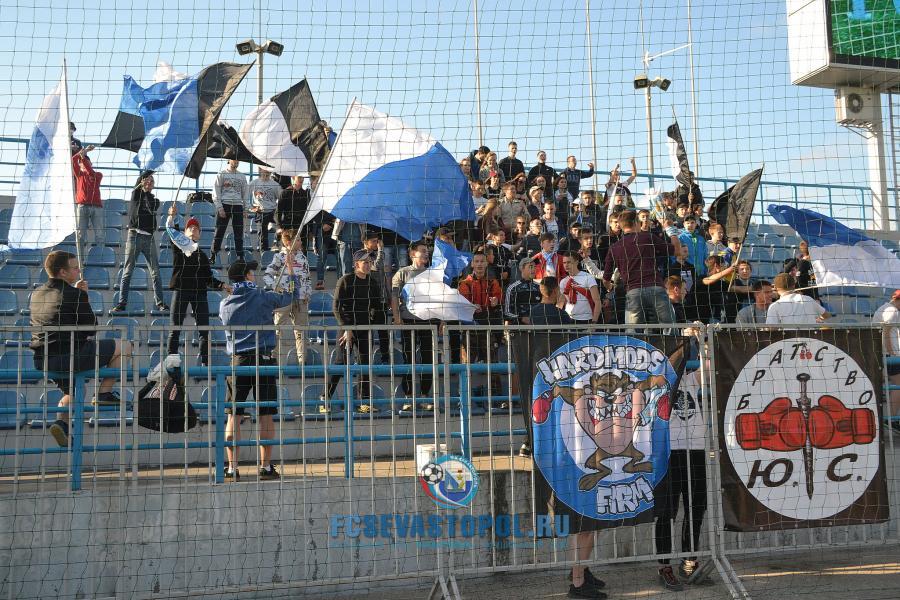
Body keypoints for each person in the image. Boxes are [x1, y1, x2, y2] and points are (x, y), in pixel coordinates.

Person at [31, 251, 131, 447]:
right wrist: (83, 296)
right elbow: (91, 328)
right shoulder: (74, 294)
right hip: (70, 355)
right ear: (62, 272)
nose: (79, 271)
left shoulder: (37, 294)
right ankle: (104, 393)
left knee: (76, 390)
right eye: (75, 268)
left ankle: (61, 423)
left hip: (43, 359)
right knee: (125, 346)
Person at [220, 259, 301, 481]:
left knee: (233, 415)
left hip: (238, 361)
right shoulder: (263, 296)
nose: (254, 276)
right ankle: (265, 467)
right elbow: (292, 296)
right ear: (247, 276)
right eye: (251, 273)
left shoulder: (225, 304)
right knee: (265, 414)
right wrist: (291, 274)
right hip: (263, 359)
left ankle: (232, 469)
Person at [654, 365, 707, 591]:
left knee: (696, 508)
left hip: (695, 449)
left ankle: (689, 562)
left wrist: (701, 345)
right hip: (669, 451)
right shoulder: (659, 378)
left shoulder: (690, 379)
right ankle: (664, 566)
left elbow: (709, 365)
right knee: (667, 511)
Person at [165, 206, 229, 365]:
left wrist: (223, 285)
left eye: (196, 228)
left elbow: (209, 278)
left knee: (204, 330)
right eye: (190, 227)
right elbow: (172, 231)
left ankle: (205, 363)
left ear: (200, 234)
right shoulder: (179, 246)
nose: (193, 229)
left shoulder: (202, 256)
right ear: (185, 233)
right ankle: (171, 363)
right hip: (181, 290)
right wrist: (171, 217)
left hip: (199, 293)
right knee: (175, 328)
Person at [326, 249, 388, 413]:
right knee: (341, 363)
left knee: (365, 364)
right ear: (356, 264)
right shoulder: (345, 280)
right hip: (346, 328)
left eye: (370, 262)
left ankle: (364, 402)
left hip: (364, 328)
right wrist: (347, 328)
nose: (368, 265)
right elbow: (336, 307)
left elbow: (376, 307)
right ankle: (325, 398)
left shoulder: (372, 282)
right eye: (365, 262)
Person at [602, 210, 681, 326]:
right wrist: (671, 230)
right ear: (636, 223)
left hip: (633, 292)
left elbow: (605, 280)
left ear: (622, 226)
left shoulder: (614, 247)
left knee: (633, 331)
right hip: (655, 288)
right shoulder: (648, 238)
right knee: (669, 327)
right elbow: (677, 251)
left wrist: (610, 288)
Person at [111, 170, 168, 314]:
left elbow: (150, 206)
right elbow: (139, 183)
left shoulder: (154, 200)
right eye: (147, 180)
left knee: (155, 271)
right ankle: (121, 303)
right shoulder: (135, 194)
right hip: (134, 236)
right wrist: (151, 170)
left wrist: (146, 190)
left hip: (148, 238)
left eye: (152, 181)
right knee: (128, 271)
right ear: (142, 181)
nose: (149, 182)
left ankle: (160, 303)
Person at [391, 241, 437, 399]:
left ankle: (425, 394)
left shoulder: (432, 274)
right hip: (408, 321)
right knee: (408, 358)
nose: (426, 253)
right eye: (422, 251)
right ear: (412, 254)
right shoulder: (402, 273)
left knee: (427, 358)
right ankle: (408, 395)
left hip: (427, 321)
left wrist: (442, 320)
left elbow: (439, 298)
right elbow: (394, 296)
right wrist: (397, 317)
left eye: (427, 251)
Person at [264, 229, 313, 366]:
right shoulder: (279, 257)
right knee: (277, 329)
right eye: (298, 240)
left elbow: (308, 278)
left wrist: (308, 293)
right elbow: (267, 275)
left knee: (301, 331)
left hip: (301, 299)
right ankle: (272, 359)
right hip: (284, 299)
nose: (301, 242)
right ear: (288, 242)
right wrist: (277, 288)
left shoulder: (303, 257)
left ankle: (302, 362)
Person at [458, 252, 503, 362]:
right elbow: (462, 302)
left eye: (482, 261)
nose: (479, 264)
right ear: (472, 264)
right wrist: (471, 306)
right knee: (467, 363)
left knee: (492, 362)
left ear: (486, 263)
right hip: (470, 326)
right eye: (477, 261)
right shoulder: (464, 283)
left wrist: (497, 300)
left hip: (488, 325)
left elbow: (500, 297)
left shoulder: (493, 282)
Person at [211, 159, 249, 261]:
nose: (236, 161)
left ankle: (240, 256)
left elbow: (245, 193)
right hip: (225, 205)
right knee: (219, 231)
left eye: (238, 160)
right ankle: (213, 254)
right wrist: (220, 207)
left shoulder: (242, 176)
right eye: (234, 159)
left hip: (237, 205)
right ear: (229, 160)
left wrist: (246, 208)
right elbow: (216, 192)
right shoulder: (221, 174)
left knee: (239, 233)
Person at [72, 142, 104, 260]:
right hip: (82, 206)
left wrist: (83, 156)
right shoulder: (79, 175)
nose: (83, 164)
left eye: (85, 162)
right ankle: (80, 260)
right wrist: (82, 153)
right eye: (81, 162)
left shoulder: (97, 175)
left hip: (96, 207)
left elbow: (90, 171)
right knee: (80, 235)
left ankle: (100, 258)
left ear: (90, 163)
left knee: (99, 235)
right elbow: (72, 160)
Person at [873, 290, 900, 421]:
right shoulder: (892, 311)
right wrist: (892, 354)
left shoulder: (884, 308)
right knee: (898, 385)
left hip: (883, 352)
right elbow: (886, 332)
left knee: (884, 382)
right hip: (889, 354)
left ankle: (890, 417)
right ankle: (892, 418)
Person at [765, 273, 830, 325]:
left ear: (775, 288)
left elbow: (771, 329)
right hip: (810, 336)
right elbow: (827, 315)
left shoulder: (775, 306)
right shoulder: (808, 299)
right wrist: (817, 319)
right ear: (794, 285)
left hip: (788, 337)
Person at [558, 252, 602, 324]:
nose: (566, 265)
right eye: (564, 263)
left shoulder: (588, 277)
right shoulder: (563, 281)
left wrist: (594, 322)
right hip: (568, 319)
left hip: (586, 319)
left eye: (569, 262)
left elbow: (597, 302)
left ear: (576, 262)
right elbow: (561, 301)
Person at [248, 167, 281, 252]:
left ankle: (276, 244)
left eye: (268, 171)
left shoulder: (275, 185)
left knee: (281, 227)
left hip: (273, 211)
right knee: (262, 234)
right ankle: (264, 252)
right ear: (260, 170)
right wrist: (251, 207)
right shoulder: (254, 183)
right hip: (260, 211)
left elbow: (281, 199)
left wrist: (278, 209)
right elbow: (244, 194)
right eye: (264, 170)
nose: (266, 173)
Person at [503, 257, 542, 325]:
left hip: (538, 327)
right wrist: (521, 318)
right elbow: (507, 313)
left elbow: (544, 308)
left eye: (535, 267)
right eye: (530, 266)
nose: (534, 269)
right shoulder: (512, 288)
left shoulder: (540, 287)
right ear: (522, 269)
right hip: (519, 328)